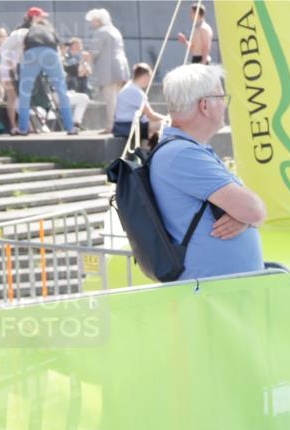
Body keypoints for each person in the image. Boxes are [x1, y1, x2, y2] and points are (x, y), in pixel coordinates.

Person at [150, 64, 266, 280]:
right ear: (204, 105)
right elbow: (254, 210)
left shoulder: (188, 151)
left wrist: (245, 218)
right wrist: (247, 215)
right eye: (221, 98)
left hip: (219, 294)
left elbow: (249, 212)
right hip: (213, 296)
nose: (224, 105)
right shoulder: (183, 155)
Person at [17, 7, 77, 136]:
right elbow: (57, 49)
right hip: (51, 53)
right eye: (42, 16)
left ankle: (23, 128)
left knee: (25, 92)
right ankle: (70, 128)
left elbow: (22, 48)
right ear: (34, 17)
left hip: (31, 53)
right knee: (61, 91)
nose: (44, 18)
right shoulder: (49, 29)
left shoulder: (26, 30)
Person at [84, 8, 129, 132]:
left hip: (108, 69)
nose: (92, 24)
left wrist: (86, 64)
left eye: (93, 21)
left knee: (110, 99)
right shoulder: (115, 30)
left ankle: (111, 125)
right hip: (120, 67)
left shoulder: (101, 32)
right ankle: (120, 124)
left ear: (99, 21)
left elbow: (94, 51)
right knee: (118, 98)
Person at [112, 63, 167, 144]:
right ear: (145, 76)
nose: (150, 81)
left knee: (155, 127)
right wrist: (169, 119)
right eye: (150, 77)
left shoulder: (128, 87)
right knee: (164, 125)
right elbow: (150, 115)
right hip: (129, 126)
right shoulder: (135, 91)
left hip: (122, 126)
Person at [0, 19, 28, 132]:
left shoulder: (18, 39)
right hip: (7, 71)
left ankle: (22, 125)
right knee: (12, 97)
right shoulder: (17, 38)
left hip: (12, 71)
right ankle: (13, 126)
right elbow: (8, 60)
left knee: (15, 98)